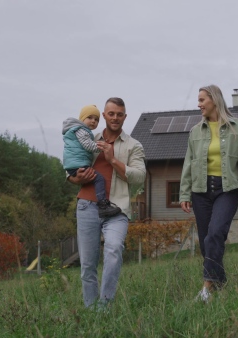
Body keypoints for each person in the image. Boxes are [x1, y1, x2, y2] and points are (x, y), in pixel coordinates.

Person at [67, 97, 146, 309]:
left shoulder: (133, 145)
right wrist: (76, 178)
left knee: (113, 250)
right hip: (87, 205)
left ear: (125, 117)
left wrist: (112, 160)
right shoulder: (87, 137)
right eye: (111, 114)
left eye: (119, 114)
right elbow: (71, 165)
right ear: (104, 115)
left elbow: (139, 176)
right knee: (87, 265)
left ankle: (105, 307)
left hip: (117, 209)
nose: (115, 118)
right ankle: (91, 310)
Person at [179, 84, 238, 302]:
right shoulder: (195, 132)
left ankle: (205, 290)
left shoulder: (237, 127)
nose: (199, 104)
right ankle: (220, 284)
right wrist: (184, 194)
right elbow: (188, 164)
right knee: (205, 242)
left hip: (227, 189)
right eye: (198, 100)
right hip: (200, 190)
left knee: (215, 233)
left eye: (202, 100)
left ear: (214, 100)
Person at [62, 104, 121, 218]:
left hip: (74, 164)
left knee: (90, 179)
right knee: (98, 179)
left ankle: (80, 209)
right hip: (77, 163)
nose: (93, 121)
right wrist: (103, 147)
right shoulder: (81, 130)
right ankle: (103, 206)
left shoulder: (78, 130)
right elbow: (88, 145)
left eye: (96, 119)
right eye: (90, 118)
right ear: (82, 119)